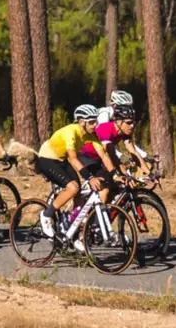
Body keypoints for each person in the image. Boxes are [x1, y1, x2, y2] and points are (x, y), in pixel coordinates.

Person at [37, 104, 117, 242]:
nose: (95, 125)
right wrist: (90, 178)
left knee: (78, 194)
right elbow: (73, 158)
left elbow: (103, 155)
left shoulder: (91, 134)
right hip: (46, 158)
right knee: (72, 188)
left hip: (60, 160)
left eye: (96, 121)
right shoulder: (71, 132)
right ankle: (46, 215)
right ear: (81, 122)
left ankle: (69, 227)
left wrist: (115, 175)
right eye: (91, 122)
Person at [77, 104, 152, 178]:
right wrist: (126, 174)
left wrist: (150, 174)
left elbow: (134, 152)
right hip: (87, 156)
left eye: (133, 122)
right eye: (129, 122)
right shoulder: (106, 129)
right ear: (118, 122)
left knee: (119, 184)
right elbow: (111, 155)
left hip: (101, 157)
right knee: (107, 187)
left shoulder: (124, 131)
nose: (132, 126)